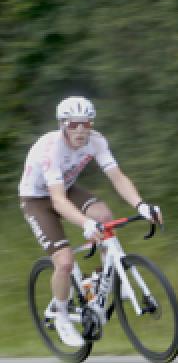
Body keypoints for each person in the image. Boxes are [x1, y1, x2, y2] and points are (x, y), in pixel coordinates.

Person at [19, 96, 165, 347]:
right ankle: (61, 315)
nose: (80, 130)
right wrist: (85, 224)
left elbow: (117, 177)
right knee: (64, 261)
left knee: (105, 216)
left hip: (67, 188)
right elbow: (57, 201)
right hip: (38, 199)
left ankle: (99, 279)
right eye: (73, 124)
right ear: (62, 125)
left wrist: (142, 205)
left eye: (85, 124)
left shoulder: (96, 141)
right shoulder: (50, 150)